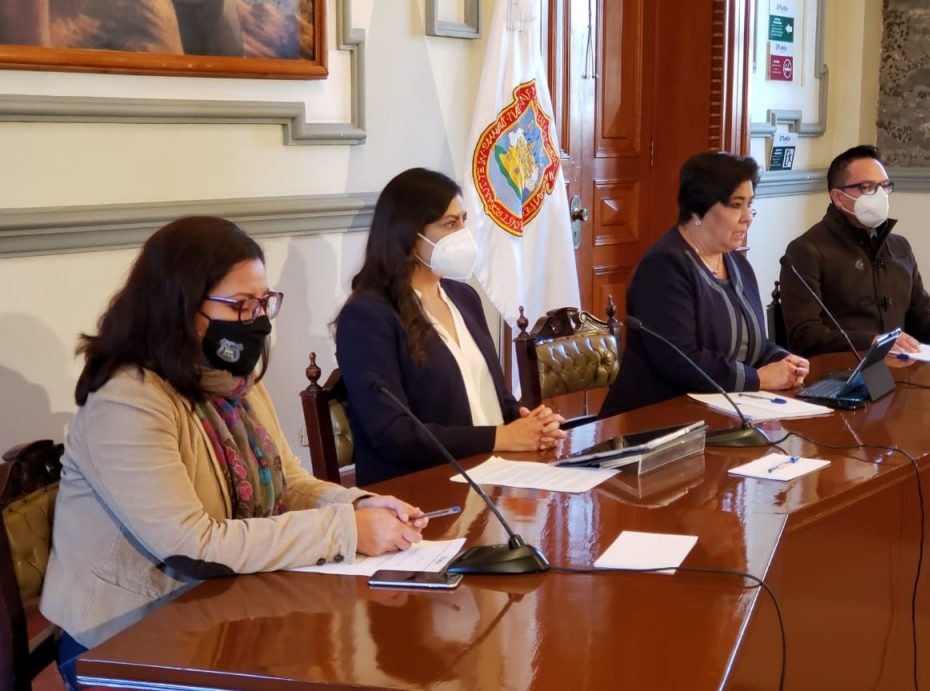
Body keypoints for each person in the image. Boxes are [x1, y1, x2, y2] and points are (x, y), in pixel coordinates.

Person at [41, 217, 428, 688]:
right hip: (126, 637)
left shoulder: (236, 384)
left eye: (263, 302)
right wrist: (346, 530)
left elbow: (290, 484)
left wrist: (360, 505)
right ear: (179, 304)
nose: (258, 321)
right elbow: (192, 547)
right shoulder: (127, 399)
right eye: (241, 305)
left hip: (220, 609)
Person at [335, 168, 565, 486]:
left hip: (497, 471)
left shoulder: (464, 297)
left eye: (463, 221)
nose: (463, 234)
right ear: (409, 234)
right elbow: (392, 432)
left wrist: (528, 423)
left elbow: (492, 395)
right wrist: (501, 437)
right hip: (423, 487)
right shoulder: (367, 316)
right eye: (450, 224)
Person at [600, 152, 808, 418]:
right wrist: (759, 379)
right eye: (736, 205)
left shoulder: (738, 265)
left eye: (750, 204)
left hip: (725, 412)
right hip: (657, 418)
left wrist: (783, 361)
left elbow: (753, 343)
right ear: (698, 209)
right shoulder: (664, 266)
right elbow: (679, 359)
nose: (748, 217)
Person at [780, 144, 930, 356]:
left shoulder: (900, 247)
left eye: (884, 186)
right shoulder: (806, 250)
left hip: (902, 366)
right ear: (838, 197)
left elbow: (921, 315)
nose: (879, 195)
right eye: (867, 187)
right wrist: (873, 342)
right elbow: (805, 336)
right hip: (842, 368)